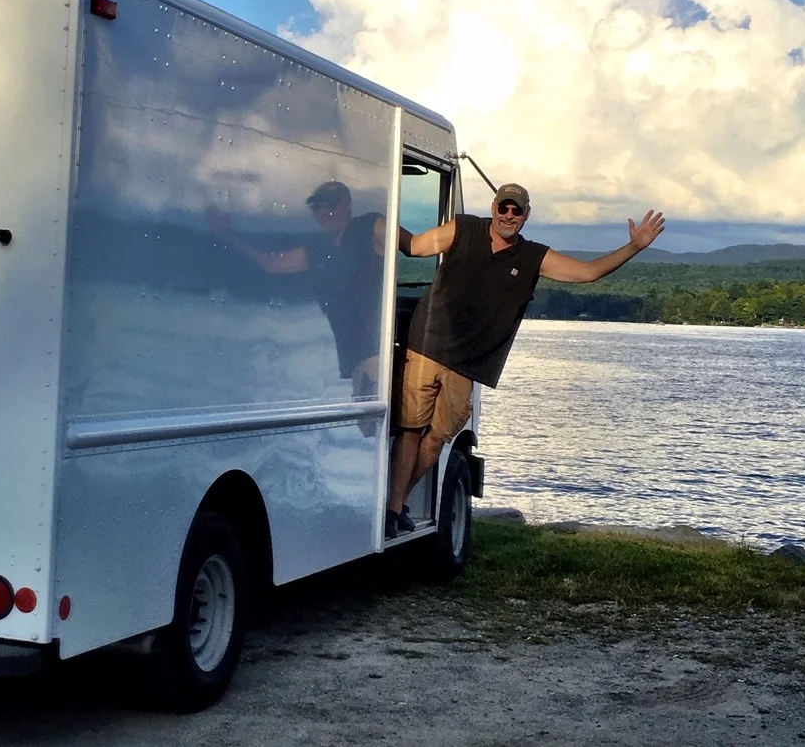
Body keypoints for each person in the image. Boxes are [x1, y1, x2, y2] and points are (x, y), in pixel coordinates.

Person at [386, 182, 666, 537]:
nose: (508, 215)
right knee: (411, 428)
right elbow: (413, 246)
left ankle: (400, 501)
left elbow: (587, 273)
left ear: (526, 215)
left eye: (516, 210)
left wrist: (635, 246)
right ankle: (394, 509)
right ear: (493, 207)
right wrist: (375, 216)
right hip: (426, 343)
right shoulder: (462, 229)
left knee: (437, 437)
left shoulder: (533, 256)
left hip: (468, 361)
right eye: (504, 207)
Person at [207, 180, 387, 397]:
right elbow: (272, 263)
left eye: (330, 204)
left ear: (347, 204)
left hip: (378, 353)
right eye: (316, 206)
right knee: (369, 424)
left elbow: (411, 244)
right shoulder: (319, 249)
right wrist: (226, 234)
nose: (323, 211)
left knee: (375, 422)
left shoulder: (369, 226)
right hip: (358, 359)